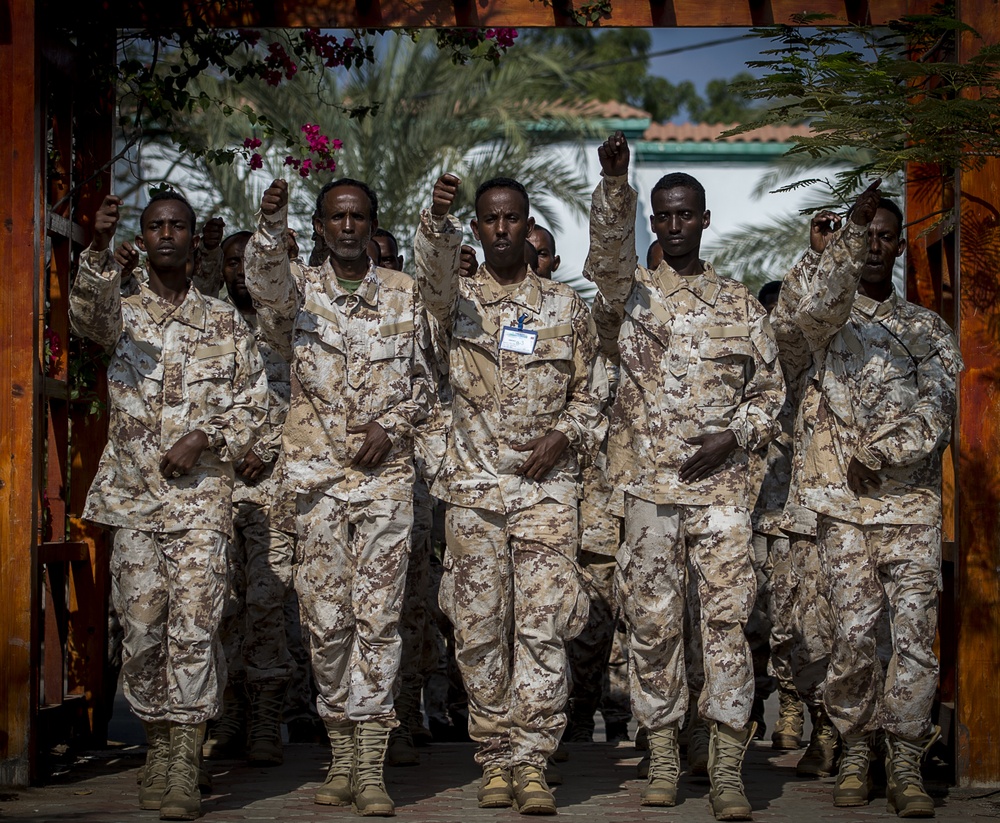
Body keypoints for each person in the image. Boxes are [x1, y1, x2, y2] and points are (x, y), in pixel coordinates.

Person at [584, 132, 784, 820]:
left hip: (723, 498)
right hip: (650, 499)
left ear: (703, 220)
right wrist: (616, 186)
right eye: (661, 215)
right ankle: (664, 754)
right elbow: (606, 255)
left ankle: (727, 766)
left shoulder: (740, 305)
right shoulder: (629, 297)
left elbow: (770, 395)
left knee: (725, 626)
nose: (671, 225)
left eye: (683, 214)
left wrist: (737, 434)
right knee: (654, 627)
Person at [70, 192, 268, 820]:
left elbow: (254, 405)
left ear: (191, 239)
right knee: (142, 630)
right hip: (133, 501)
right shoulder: (121, 313)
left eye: (177, 226)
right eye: (155, 226)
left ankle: (185, 755)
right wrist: (98, 249)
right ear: (145, 236)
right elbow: (84, 321)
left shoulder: (223, 321)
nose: (165, 235)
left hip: (201, 504)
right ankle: (155, 742)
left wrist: (205, 436)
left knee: (197, 627)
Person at [414, 173, 607, 815]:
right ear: (476, 228)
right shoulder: (453, 304)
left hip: (546, 497)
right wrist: (437, 224)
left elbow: (594, 390)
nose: (502, 229)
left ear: (529, 228)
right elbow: (432, 291)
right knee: (478, 630)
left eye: (513, 219)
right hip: (472, 496)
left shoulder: (564, 308)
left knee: (543, 628)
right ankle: (494, 757)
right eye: (490, 219)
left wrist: (566, 435)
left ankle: (532, 762)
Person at [244, 177, 435, 817]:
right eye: (336, 216)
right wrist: (270, 227)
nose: (348, 226)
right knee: (326, 625)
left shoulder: (407, 298)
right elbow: (263, 285)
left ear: (373, 223)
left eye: (358, 216)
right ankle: (341, 749)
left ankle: (372, 763)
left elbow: (431, 388)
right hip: (317, 484)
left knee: (377, 620)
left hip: (383, 485)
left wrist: (393, 425)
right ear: (321, 226)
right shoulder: (297, 291)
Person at [779, 182, 962, 817]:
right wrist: (843, 240)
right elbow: (803, 313)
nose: (876, 246)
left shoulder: (927, 330)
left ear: (901, 245)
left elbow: (938, 409)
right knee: (853, 637)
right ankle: (858, 748)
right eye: (866, 235)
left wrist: (882, 452)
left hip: (908, 505)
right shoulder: (825, 322)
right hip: (841, 510)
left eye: (885, 235)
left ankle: (905, 757)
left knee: (913, 634)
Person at [201, 230, 296, 767]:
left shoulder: (288, 322)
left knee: (266, 605)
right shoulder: (206, 321)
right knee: (221, 607)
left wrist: (267, 447)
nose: (241, 270)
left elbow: (310, 395)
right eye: (232, 261)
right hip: (214, 489)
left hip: (273, 490)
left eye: (249, 261)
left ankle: (265, 717)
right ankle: (229, 710)